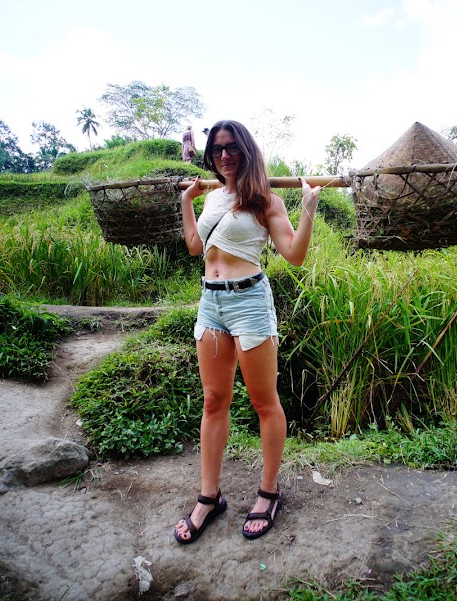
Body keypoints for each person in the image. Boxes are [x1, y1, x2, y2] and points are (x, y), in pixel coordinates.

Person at [174, 120, 322, 543]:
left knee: (263, 401)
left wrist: (308, 206)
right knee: (214, 400)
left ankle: (269, 492)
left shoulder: (265, 199)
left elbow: (294, 255)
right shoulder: (213, 199)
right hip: (210, 303)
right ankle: (209, 497)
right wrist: (187, 203)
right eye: (217, 149)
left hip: (249, 303)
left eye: (232, 148)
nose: (224, 156)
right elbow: (193, 247)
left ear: (246, 150)